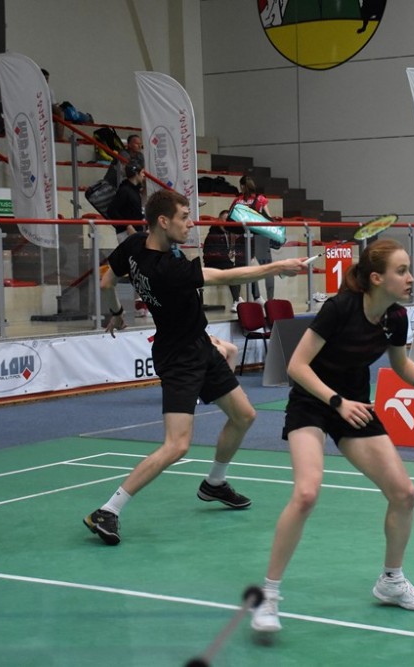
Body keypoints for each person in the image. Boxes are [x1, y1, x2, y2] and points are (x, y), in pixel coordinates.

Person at [250, 238, 414, 633]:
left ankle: (391, 582)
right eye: (401, 271)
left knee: (404, 494)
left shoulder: (396, 317)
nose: (410, 278)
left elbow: (401, 364)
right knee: (306, 493)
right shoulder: (340, 309)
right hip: (314, 402)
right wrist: (336, 402)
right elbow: (296, 366)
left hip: (355, 406)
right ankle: (269, 595)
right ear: (377, 278)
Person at [83, 189, 307, 545]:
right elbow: (226, 277)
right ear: (163, 221)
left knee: (244, 415)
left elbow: (106, 280)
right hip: (179, 357)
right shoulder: (168, 270)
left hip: (199, 345)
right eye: (184, 217)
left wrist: (116, 312)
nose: (191, 223)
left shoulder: (134, 245)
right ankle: (108, 510)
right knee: (177, 445)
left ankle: (214, 483)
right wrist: (278, 266)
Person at [231, 176, 275, 304]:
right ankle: (270, 300)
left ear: (242, 186)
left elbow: (231, 218)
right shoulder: (261, 199)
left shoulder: (238, 201)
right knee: (267, 269)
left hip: (243, 237)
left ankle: (238, 299)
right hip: (260, 238)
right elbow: (269, 219)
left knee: (241, 268)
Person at [202, 210, 246, 309]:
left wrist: (231, 254)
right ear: (219, 220)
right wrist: (226, 255)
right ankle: (237, 300)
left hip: (225, 261)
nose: (226, 222)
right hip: (213, 263)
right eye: (224, 219)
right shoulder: (213, 234)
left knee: (239, 269)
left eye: (228, 220)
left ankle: (239, 298)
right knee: (232, 272)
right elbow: (211, 254)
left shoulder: (228, 233)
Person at [106, 162, 145, 242]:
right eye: (142, 172)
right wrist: (128, 226)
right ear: (136, 174)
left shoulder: (134, 190)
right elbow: (111, 210)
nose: (143, 175)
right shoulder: (124, 190)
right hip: (126, 233)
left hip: (135, 231)